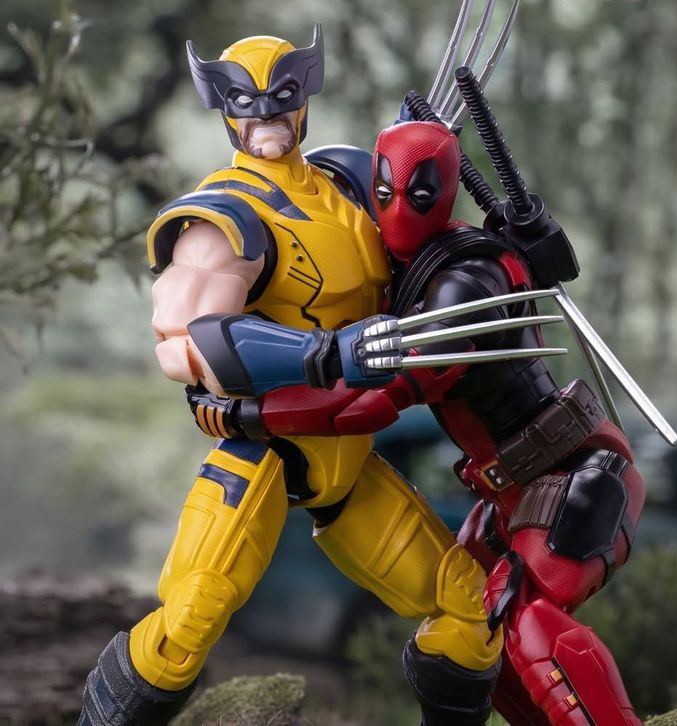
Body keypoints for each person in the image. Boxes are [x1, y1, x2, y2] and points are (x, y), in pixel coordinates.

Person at [78, 33, 502, 726]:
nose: (265, 119)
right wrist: (326, 353)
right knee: (189, 622)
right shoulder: (224, 216)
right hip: (263, 451)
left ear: (304, 98)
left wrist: (489, 216)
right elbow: (183, 344)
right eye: (247, 106)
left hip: (348, 458)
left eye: (280, 101)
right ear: (225, 111)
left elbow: (431, 237)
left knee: (470, 609)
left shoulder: (348, 180)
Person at [188, 121, 646, 726]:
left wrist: (243, 414)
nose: (399, 209)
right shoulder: (397, 272)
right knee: (472, 631)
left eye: (420, 194)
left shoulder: (466, 283)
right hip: (505, 493)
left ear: (448, 190)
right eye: (386, 192)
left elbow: (363, 407)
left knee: (528, 618)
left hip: (576, 474)